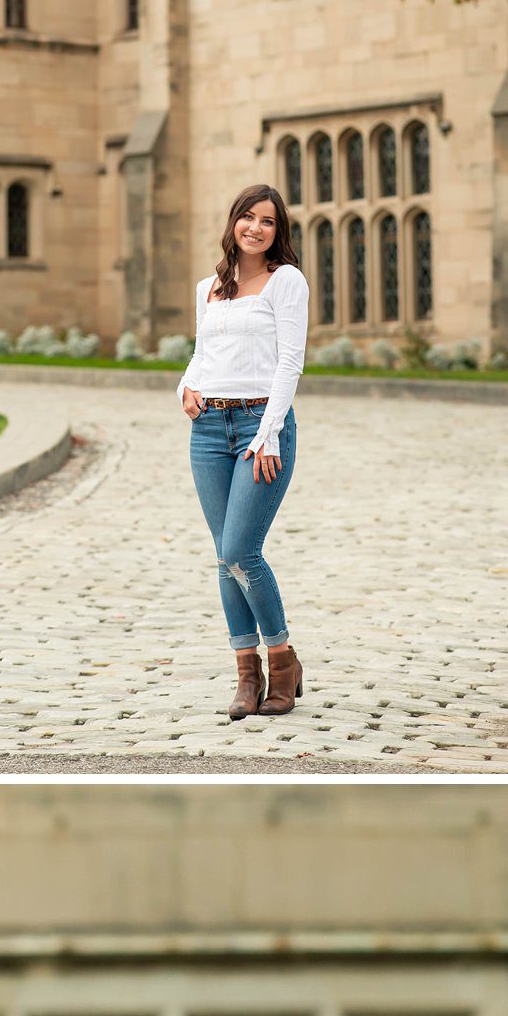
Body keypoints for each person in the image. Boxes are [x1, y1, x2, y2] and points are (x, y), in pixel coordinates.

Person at [177, 183, 310, 719]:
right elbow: (201, 353)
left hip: (261, 424)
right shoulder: (208, 287)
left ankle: (281, 661)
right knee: (222, 558)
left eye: (268, 221)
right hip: (209, 429)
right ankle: (245, 673)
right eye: (248, 218)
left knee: (239, 551)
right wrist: (184, 386)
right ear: (234, 222)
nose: (256, 228)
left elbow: (290, 361)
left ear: (278, 232)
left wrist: (269, 430)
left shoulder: (286, 282)